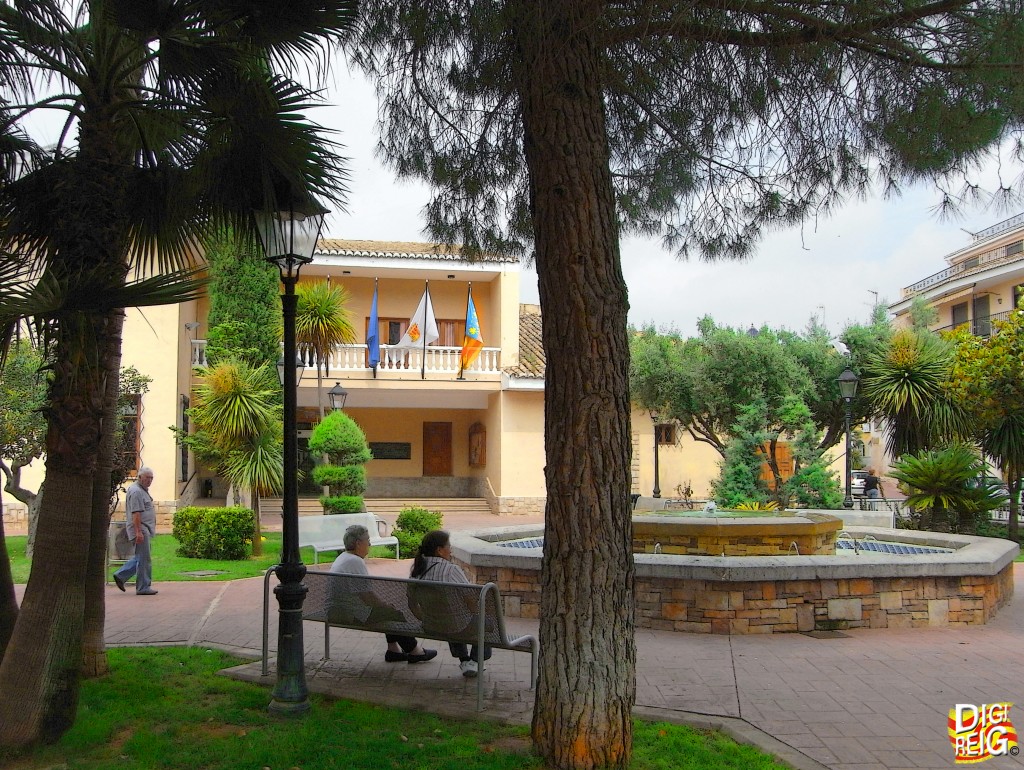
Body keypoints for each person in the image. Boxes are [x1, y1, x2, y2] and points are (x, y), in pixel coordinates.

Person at [330, 525, 437, 664]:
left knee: (388, 611)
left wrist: (384, 607)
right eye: (367, 540)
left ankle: (394, 651)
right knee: (394, 613)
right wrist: (385, 606)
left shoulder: (345, 557)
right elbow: (367, 596)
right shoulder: (354, 561)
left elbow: (364, 595)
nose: (369, 544)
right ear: (358, 543)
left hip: (338, 609)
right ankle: (415, 651)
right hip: (347, 613)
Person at [410, 530, 492, 678]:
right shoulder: (451, 570)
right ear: (439, 550)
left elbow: (411, 604)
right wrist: (478, 613)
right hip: (455, 626)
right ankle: (475, 660)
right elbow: (471, 600)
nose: (451, 549)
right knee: (486, 622)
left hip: (431, 625)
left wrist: (425, 618)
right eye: (449, 545)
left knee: (452, 618)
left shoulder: (416, 570)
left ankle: (464, 660)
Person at [112, 466, 159, 595]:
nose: (149, 480)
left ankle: (121, 575)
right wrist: (138, 532)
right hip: (140, 529)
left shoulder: (142, 490)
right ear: (139, 477)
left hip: (144, 529)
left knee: (141, 557)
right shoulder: (136, 491)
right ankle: (142, 586)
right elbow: (136, 514)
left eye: (151, 478)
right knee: (144, 559)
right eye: (147, 478)